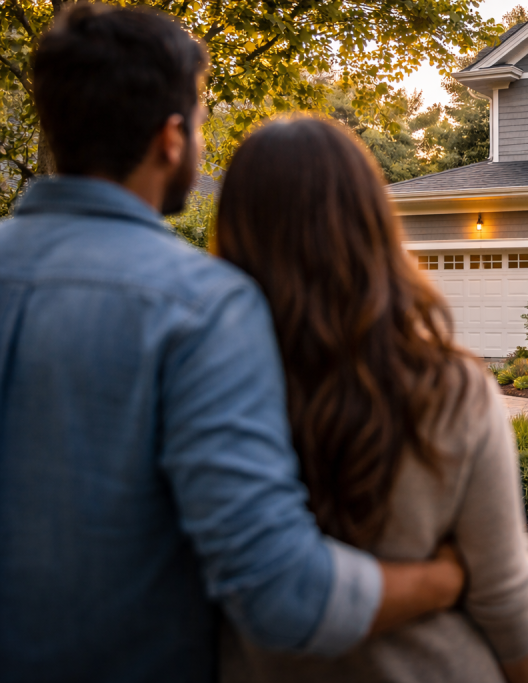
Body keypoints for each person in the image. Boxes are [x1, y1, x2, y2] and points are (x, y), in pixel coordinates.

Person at [0, 5, 465, 682]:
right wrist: (443, 580)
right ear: (170, 138)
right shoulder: (201, 306)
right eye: (199, 116)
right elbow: (281, 593)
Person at [214, 114, 528, 683]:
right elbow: (505, 593)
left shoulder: (207, 386)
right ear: (373, 224)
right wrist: (442, 581)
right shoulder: (452, 386)